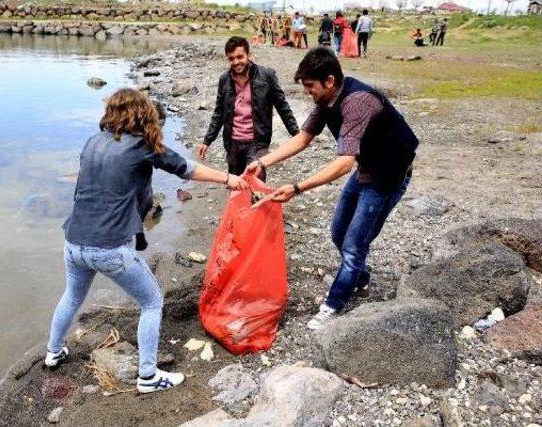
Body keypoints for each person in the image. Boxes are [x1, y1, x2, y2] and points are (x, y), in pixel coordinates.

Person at [45, 89, 249, 393]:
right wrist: (230, 178)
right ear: (143, 113)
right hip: (109, 247)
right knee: (152, 302)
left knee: (73, 296)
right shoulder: (141, 146)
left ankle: (53, 351)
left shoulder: (92, 142)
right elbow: (186, 169)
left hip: (73, 241)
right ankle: (149, 376)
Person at [244, 48, 418, 329]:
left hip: (388, 175)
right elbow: (302, 139)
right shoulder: (326, 100)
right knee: (338, 232)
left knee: (353, 245)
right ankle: (359, 277)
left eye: (310, 86)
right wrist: (261, 162)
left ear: (329, 80)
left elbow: (343, 164)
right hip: (366, 167)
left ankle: (333, 304)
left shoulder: (357, 101)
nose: (307, 92)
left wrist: (297, 188)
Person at [197, 37, 299, 181]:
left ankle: (257, 203)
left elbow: (282, 106)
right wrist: (207, 141)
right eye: (231, 58)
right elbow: (219, 113)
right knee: (236, 183)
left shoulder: (266, 76)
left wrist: (297, 134)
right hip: (233, 142)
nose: (236, 62)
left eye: (240, 57)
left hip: (258, 142)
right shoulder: (224, 80)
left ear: (249, 55)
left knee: (256, 182)